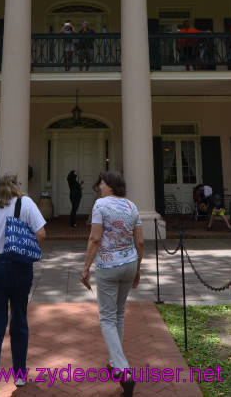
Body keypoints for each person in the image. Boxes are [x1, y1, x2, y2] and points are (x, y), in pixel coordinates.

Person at [0, 172, 47, 397]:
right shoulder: (26, 203)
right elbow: (42, 233)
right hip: (19, 268)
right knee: (19, 319)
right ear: (16, 186)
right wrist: (28, 247)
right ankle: (19, 373)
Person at [81, 170, 143, 397]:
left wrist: (86, 267)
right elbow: (140, 241)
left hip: (108, 267)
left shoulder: (100, 205)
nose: (100, 186)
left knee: (107, 317)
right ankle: (115, 362)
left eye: (102, 183)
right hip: (129, 264)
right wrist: (138, 268)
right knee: (118, 314)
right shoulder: (132, 206)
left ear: (111, 185)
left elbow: (95, 238)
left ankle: (124, 371)